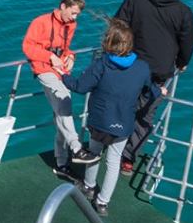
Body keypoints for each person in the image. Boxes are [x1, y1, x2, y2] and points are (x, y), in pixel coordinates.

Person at [62, 17, 155, 210]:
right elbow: (150, 90)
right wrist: (158, 91)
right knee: (114, 162)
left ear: (108, 42)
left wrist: (63, 76)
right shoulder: (142, 67)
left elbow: (80, 86)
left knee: (94, 153)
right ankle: (103, 202)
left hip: (99, 121)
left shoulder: (101, 64)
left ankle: (88, 186)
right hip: (123, 124)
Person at [115, 0, 193, 161]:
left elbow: (118, 28)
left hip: (130, 66)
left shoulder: (134, 0)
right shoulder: (183, 12)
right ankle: (127, 158)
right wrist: (182, 62)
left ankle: (110, 145)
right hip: (159, 71)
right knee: (145, 115)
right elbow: (188, 41)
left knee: (121, 105)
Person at [23, 0, 98, 177]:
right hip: (43, 69)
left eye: (77, 15)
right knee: (65, 101)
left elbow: (64, 48)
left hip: (59, 70)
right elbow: (27, 47)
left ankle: (61, 163)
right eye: (73, 13)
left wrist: (70, 56)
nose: (74, 18)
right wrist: (49, 57)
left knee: (61, 115)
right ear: (63, 6)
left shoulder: (71, 24)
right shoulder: (40, 22)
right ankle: (76, 147)